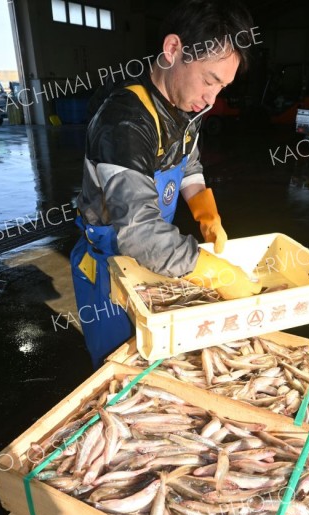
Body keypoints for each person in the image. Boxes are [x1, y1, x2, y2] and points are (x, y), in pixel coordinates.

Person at [71, 0, 262, 369]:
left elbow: (188, 162)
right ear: (173, 49)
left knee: (162, 360)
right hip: (110, 265)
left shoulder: (188, 103)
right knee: (120, 367)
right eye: (209, 80)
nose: (211, 100)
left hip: (158, 256)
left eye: (222, 87)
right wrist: (208, 269)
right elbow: (138, 231)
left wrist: (206, 212)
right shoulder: (124, 120)